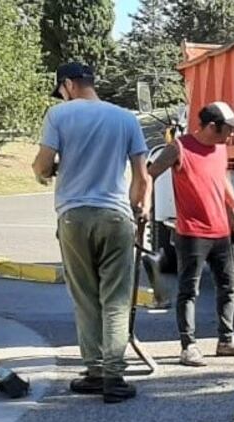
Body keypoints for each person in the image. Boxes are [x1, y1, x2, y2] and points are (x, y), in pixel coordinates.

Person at [32, 62, 151, 403]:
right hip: (115, 215)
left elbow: (43, 164)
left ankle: (95, 371)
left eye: (61, 90)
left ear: (68, 84)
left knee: (85, 297)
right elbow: (142, 177)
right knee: (115, 299)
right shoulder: (126, 118)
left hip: (73, 216)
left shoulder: (59, 115)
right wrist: (136, 208)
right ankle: (114, 376)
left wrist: (45, 172)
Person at [148, 101, 234, 367]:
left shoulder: (220, 149)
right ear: (211, 126)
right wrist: (143, 204)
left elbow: (222, 181)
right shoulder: (179, 148)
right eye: (228, 128)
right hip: (192, 233)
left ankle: (226, 340)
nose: (232, 134)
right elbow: (150, 173)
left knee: (228, 286)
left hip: (221, 231)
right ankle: (188, 347)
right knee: (189, 291)